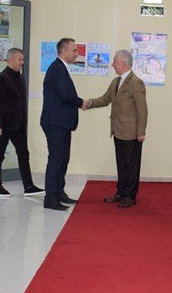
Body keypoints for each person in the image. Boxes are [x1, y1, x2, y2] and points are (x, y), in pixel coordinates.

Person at [85, 50, 148, 208]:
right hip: (117, 130)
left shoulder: (136, 82)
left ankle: (130, 196)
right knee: (121, 164)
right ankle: (121, 192)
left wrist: (141, 132)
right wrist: (89, 103)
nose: (112, 64)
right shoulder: (115, 82)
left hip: (132, 133)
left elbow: (142, 110)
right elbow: (105, 99)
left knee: (132, 166)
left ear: (123, 63)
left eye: (115, 61)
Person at [40, 37, 86, 211]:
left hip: (61, 122)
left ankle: (59, 192)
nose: (77, 53)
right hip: (55, 122)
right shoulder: (57, 68)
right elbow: (66, 95)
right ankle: (50, 198)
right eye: (74, 50)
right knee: (56, 159)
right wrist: (82, 102)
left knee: (63, 159)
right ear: (64, 50)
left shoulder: (61, 68)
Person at [0, 47, 44, 198]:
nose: (22, 62)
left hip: (18, 125)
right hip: (4, 125)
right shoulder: (1, 78)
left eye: (22, 59)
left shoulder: (20, 77)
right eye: (20, 59)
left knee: (23, 153)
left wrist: (24, 123)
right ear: (12, 59)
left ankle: (29, 186)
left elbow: (20, 102)